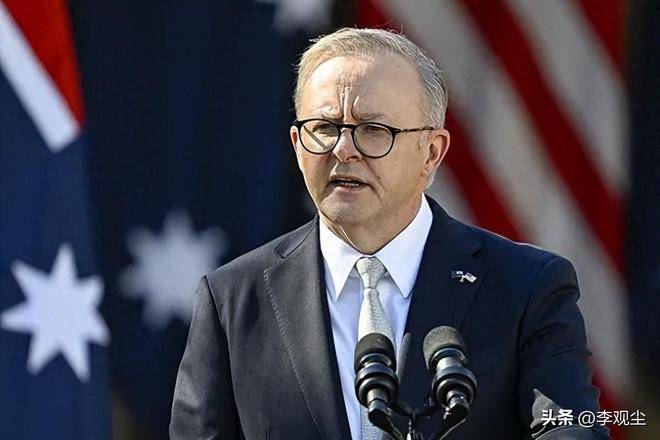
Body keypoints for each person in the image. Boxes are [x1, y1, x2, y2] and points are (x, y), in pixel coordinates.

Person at [170, 28, 608, 439]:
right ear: (297, 145)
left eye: (373, 130)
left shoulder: (527, 288)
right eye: (324, 128)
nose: (344, 150)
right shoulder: (232, 300)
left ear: (431, 153)